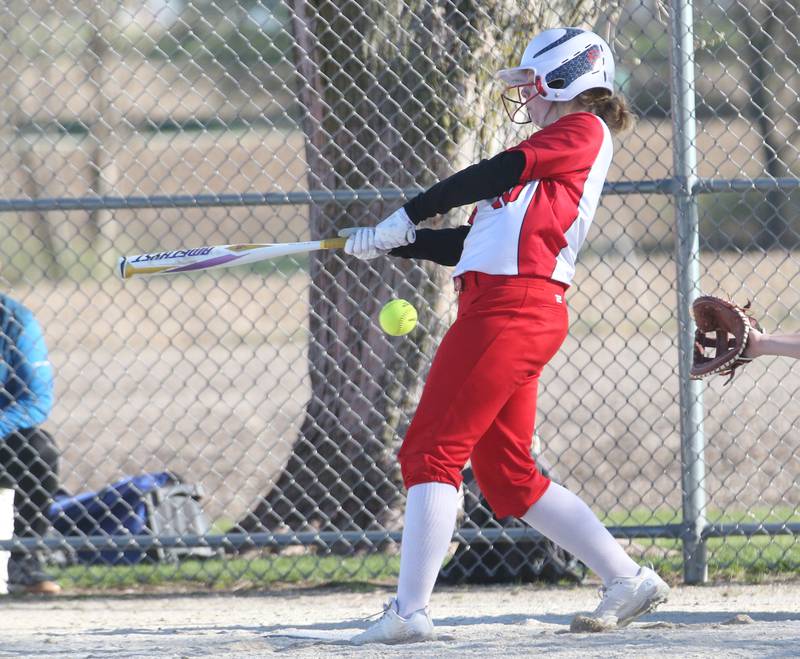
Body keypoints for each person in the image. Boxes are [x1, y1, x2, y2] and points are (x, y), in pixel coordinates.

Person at [340, 27, 669, 643]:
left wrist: (407, 213)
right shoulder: (546, 153)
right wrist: (398, 243)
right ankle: (629, 579)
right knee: (508, 476)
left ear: (569, 79)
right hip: (502, 305)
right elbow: (475, 245)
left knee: (430, 451)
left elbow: (495, 171)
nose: (526, 97)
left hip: (511, 310)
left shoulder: (582, 131)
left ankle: (409, 612)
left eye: (533, 84)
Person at [0, 293, 61, 595]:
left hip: (1, 433)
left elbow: (36, 400)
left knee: (39, 450)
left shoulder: (14, 320)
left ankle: (23, 562)